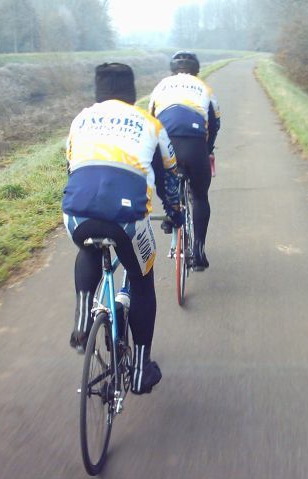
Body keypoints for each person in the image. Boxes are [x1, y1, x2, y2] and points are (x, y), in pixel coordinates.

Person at [62, 63, 183, 395]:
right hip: (127, 219)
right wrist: (175, 213)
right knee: (143, 281)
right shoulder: (150, 123)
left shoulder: (80, 120)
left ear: (97, 92)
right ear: (132, 93)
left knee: (88, 246)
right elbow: (169, 178)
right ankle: (141, 370)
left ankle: (83, 321)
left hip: (76, 213)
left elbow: (71, 166)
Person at [148, 51, 221, 271]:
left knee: (166, 175)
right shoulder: (204, 88)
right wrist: (206, 150)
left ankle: (171, 213)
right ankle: (198, 250)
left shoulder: (161, 86)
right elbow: (215, 123)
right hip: (194, 143)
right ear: (196, 70)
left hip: (165, 141)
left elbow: (149, 120)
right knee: (199, 196)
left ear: (172, 70)